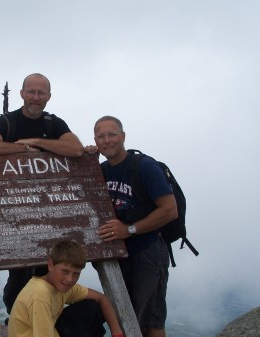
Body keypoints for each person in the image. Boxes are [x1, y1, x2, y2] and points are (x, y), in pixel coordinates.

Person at [0, 73, 84, 316]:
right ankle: (17, 321)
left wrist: (38, 140)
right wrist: (24, 148)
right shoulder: (8, 121)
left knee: (45, 274)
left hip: (48, 214)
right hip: (13, 213)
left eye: (41, 93)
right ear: (22, 93)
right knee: (18, 278)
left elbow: (75, 148)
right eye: (31, 92)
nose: (36, 97)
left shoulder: (53, 123)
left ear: (48, 96)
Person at [86, 116, 178, 337]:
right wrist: (86, 160)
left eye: (112, 134)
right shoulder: (101, 170)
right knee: (128, 318)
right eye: (101, 136)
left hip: (147, 250)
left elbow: (169, 209)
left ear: (123, 136)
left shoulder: (145, 166)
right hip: (120, 254)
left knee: (151, 321)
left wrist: (129, 230)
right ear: (96, 141)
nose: (107, 140)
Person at [8, 240, 124, 337]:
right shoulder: (40, 295)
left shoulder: (61, 285)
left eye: (76, 274)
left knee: (92, 307)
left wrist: (117, 334)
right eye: (65, 271)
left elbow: (101, 298)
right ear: (51, 265)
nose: (70, 279)